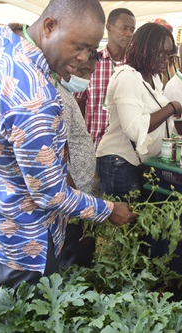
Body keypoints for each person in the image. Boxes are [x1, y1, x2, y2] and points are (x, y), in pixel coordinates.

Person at [0, 0, 136, 290]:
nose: (83, 58)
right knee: (24, 315)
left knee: (6, 300)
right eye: (77, 46)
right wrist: (110, 209)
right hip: (26, 238)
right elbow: (50, 195)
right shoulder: (36, 98)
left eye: (90, 50)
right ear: (50, 25)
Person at [96, 23, 181, 199]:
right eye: (160, 54)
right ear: (144, 49)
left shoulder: (154, 78)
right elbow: (135, 129)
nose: (165, 60)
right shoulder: (127, 77)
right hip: (120, 162)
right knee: (125, 220)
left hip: (136, 162)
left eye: (169, 55)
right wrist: (171, 108)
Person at [56, 55, 100, 269]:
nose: (86, 78)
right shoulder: (60, 97)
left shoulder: (67, 93)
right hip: (70, 195)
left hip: (77, 193)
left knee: (79, 242)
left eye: (90, 73)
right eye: (82, 72)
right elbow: (57, 155)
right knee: (71, 248)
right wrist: (74, 196)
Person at [76, 8, 136, 150]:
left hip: (125, 152)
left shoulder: (135, 67)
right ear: (109, 27)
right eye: (125, 28)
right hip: (94, 147)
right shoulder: (90, 64)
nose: (129, 34)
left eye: (132, 30)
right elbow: (79, 105)